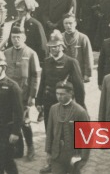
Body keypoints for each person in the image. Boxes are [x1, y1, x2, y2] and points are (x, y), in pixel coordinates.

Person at [35, 30, 85, 174]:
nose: (54, 49)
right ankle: (51, 163)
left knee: (65, 134)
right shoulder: (47, 61)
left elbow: (79, 87)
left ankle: (71, 162)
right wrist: (39, 100)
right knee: (50, 133)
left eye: (56, 46)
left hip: (65, 104)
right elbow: (43, 82)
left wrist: (81, 106)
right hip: (49, 103)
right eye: (51, 46)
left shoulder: (70, 62)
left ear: (62, 46)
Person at [2, 23, 41, 162]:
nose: (16, 40)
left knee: (25, 122)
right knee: (12, 121)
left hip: (24, 95)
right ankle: (18, 150)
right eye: (13, 37)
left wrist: (32, 96)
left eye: (18, 37)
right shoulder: (6, 53)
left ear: (24, 37)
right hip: (9, 95)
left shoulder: (31, 53)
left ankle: (30, 147)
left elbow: (36, 76)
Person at [45, 82, 90, 174]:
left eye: (62, 94)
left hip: (73, 156)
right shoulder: (53, 109)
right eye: (57, 93)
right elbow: (49, 132)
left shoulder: (80, 112)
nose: (59, 97)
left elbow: (87, 137)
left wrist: (83, 158)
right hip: (57, 154)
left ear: (71, 93)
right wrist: (48, 151)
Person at [61, 15, 93, 82]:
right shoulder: (60, 37)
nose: (68, 26)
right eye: (66, 23)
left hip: (78, 72)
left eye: (70, 23)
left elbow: (88, 56)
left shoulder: (83, 38)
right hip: (63, 73)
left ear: (75, 23)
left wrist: (87, 74)